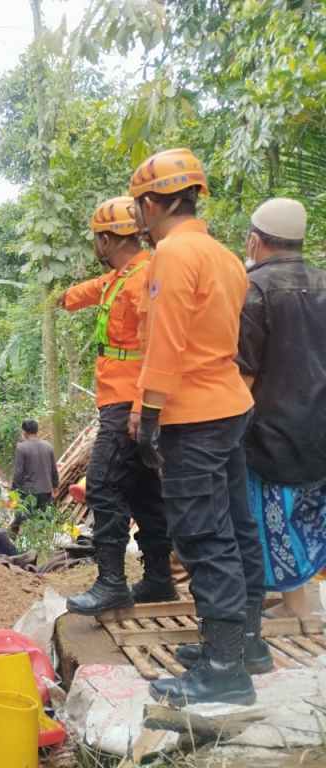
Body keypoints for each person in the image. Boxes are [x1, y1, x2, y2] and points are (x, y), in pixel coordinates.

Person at [128, 148, 268, 706]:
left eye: (140, 205)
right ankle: (235, 644)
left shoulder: (172, 254)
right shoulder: (224, 255)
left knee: (204, 536)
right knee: (234, 527)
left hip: (193, 414)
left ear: (151, 202)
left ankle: (225, 670)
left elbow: (166, 339)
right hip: (229, 403)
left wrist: (150, 413)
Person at [58, 196, 175, 615]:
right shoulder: (122, 276)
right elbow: (91, 292)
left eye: (97, 239)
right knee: (145, 490)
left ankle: (111, 583)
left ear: (107, 239)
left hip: (129, 402)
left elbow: (157, 346)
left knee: (104, 485)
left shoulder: (143, 280)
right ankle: (160, 579)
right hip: (123, 398)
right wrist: (63, 298)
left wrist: (141, 409)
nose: (95, 245)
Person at [234, 198, 326, 618]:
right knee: (310, 516)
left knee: (277, 521)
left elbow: (245, 376)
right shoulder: (323, 282)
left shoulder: (254, 291)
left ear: (255, 241)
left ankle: (296, 607)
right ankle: (301, 600)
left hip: (272, 431)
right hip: (318, 426)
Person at [11, 420, 58, 529]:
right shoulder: (48, 446)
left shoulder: (21, 447)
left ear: (24, 432)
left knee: (24, 520)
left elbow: (18, 472)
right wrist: (55, 486)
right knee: (44, 520)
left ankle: (18, 540)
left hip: (29, 492)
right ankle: (44, 542)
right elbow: (53, 469)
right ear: (37, 430)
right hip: (46, 490)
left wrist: (14, 489)